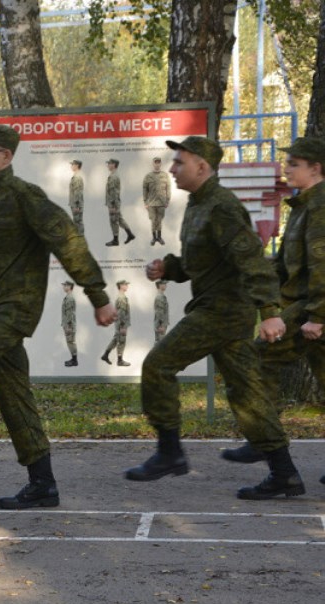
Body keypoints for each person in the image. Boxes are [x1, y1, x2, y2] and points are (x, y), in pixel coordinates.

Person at [0, 124, 116, 509]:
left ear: (7, 156)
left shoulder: (25, 197)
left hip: (16, 308)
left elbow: (68, 242)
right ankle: (42, 483)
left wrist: (98, 296)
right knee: (13, 395)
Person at [126, 135, 304, 500]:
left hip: (222, 310)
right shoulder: (199, 204)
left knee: (158, 366)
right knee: (248, 392)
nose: (173, 169)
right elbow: (202, 261)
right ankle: (285, 474)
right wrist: (169, 268)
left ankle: (170, 453)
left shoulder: (221, 206)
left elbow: (251, 260)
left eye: (180, 163)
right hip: (223, 309)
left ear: (202, 167)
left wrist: (270, 313)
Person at [220, 136, 325, 489]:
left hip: (312, 310)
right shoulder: (303, 206)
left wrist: (318, 316)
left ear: (316, 168)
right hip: (304, 307)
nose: (286, 168)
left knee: (254, 362)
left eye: (294, 163)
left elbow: (324, 266)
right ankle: (270, 451)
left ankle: (266, 445)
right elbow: (286, 265)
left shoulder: (321, 206)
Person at [105, 158, 136, 246]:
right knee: (119, 219)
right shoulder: (113, 175)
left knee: (114, 221)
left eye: (109, 163)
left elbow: (114, 192)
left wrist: (113, 205)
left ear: (114, 165)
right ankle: (130, 235)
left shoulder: (114, 176)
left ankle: (115, 240)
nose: (108, 165)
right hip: (114, 202)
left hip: (113, 203)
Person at [101, 280, 131, 367]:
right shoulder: (121, 298)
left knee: (116, 339)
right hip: (121, 323)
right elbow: (121, 313)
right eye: (125, 284)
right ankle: (120, 360)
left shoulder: (122, 297)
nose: (127, 286)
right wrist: (123, 326)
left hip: (119, 323)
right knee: (121, 341)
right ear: (121, 286)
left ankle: (105, 355)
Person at [143, 156, 171, 245]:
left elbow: (168, 188)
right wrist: (145, 202)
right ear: (153, 163)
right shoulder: (148, 176)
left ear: (160, 164)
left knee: (159, 221)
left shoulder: (165, 175)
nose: (157, 164)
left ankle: (159, 237)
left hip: (161, 202)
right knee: (153, 220)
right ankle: (154, 238)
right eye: (155, 162)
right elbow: (145, 189)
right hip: (151, 203)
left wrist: (167, 200)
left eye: (159, 162)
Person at [61, 280, 78, 367]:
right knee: (70, 342)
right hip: (67, 324)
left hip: (69, 325)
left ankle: (74, 360)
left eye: (65, 285)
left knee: (71, 342)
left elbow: (70, 313)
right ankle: (73, 359)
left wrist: (68, 326)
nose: (63, 287)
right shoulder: (68, 297)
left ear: (69, 286)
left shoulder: (70, 298)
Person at [69, 160, 85, 234]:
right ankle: (79, 238)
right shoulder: (75, 177)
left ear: (77, 166)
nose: (71, 166)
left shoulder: (77, 177)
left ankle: (80, 238)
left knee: (78, 221)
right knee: (76, 221)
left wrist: (77, 205)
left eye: (73, 164)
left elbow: (78, 192)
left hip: (76, 204)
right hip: (75, 203)